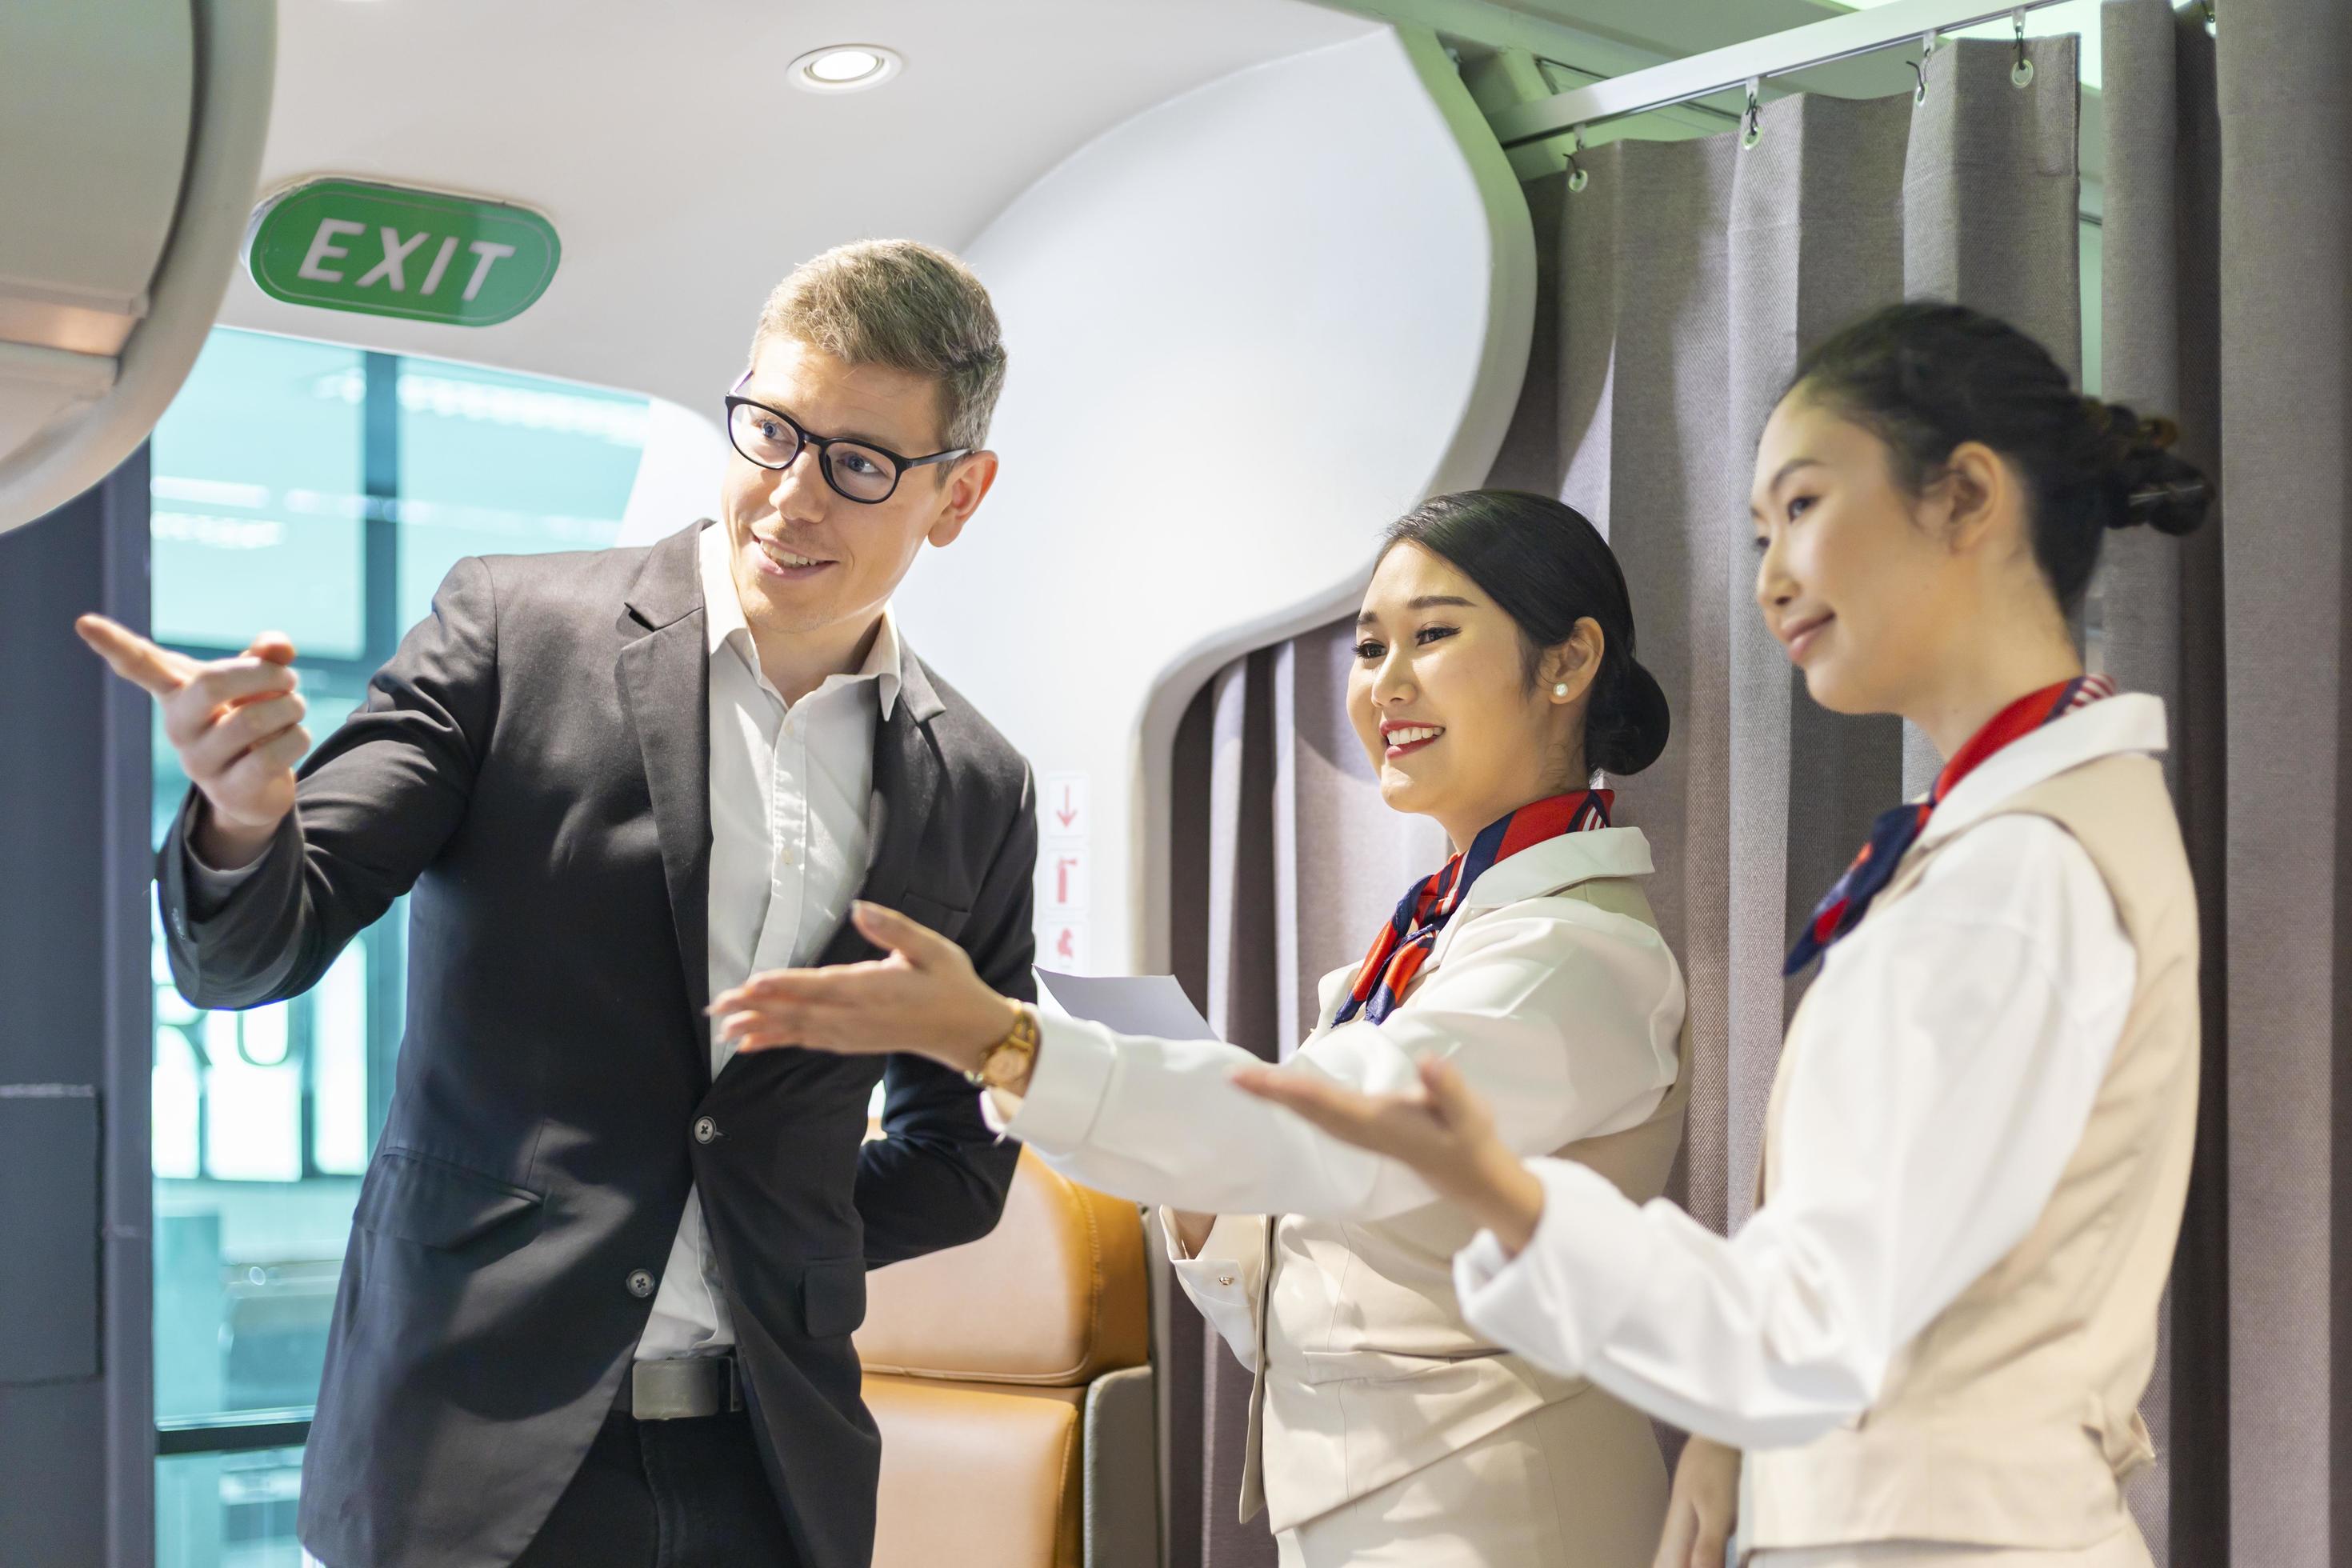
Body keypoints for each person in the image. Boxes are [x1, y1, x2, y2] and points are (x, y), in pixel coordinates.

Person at [78, 240, 1038, 1568]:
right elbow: (259, 950)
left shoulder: (977, 783)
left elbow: (959, 1152)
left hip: (772, 1469)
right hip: (472, 1448)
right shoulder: (511, 632)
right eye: (768, 430)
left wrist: (775, 1237)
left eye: (859, 462)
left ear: (960, 494)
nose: (789, 497)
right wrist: (245, 816)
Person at [1237, 301, 2213, 1568]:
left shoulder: (2020, 873)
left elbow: (1818, 1326)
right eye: (1759, 533)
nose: (1769, 580)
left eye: (1803, 508)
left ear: (1965, 499)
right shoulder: (2008, 835)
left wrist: (1505, 1196)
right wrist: (1724, 1438)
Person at [714, 490, 1691, 1566]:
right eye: (1370, 647)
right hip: (1376, 1506)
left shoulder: (1574, 955)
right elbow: (1334, 1266)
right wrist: (1198, 1197)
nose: (1387, 684)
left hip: (1506, 1515)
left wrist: (1006, 1041)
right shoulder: (1438, 927)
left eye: (1436, 634)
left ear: (1567, 662)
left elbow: (1340, 1139)